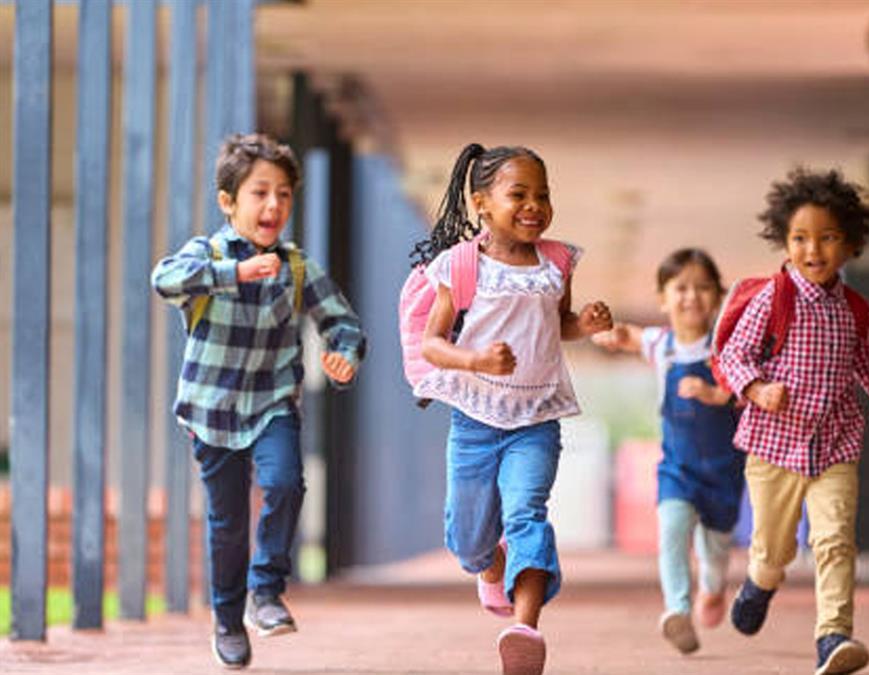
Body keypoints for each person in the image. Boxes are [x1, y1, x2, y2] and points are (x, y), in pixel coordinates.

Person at [152, 133, 366, 669]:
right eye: (260, 193)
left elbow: (343, 323)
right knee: (227, 525)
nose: (274, 205)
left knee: (285, 481)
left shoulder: (296, 267)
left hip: (272, 402)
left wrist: (344, 355)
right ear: (228, 201)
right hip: (212, 409)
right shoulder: (208, 254)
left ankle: (266, 592)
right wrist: (234, 274)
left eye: (285, 195)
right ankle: (226, 621)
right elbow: (164, 280)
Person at [414, 143, 612, 675]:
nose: (534, 206)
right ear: (481, 202)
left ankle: (525, 629)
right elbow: (432, 343)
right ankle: (490, 566)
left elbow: (558, 324)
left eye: (542, 195)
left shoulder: (558, 261)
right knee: (468, 539)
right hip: (475, 420)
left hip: (536, 420)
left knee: (527, 514)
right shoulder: (459, 266)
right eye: (517, 194)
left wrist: (585, 326)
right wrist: (474, 357)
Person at [718, 167, 869, 675]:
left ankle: (833, 636)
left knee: (834, 540)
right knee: (775, 548)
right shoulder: (773, 297)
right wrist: (759, 389)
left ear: (851, 245)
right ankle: (760, 581)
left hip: (835, 443)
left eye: (828, 238)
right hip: (773, 446)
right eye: (800, 238)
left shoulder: (857, 310)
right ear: (784, 243)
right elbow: (737, 354)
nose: (814, 250)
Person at [593, 248, 745, 655]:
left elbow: (745, 391)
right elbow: (631, 336)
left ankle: (712, 588)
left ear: (716, 296)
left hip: (724, 470)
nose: (691, 296)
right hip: (678, 467)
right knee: (672, 532)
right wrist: (613, 334)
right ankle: (676, 610)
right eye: (680, 288)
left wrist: (716, 393)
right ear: (663, 298)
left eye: (702, 288)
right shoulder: (662, 343)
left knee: (714, 550)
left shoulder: (727, 348)